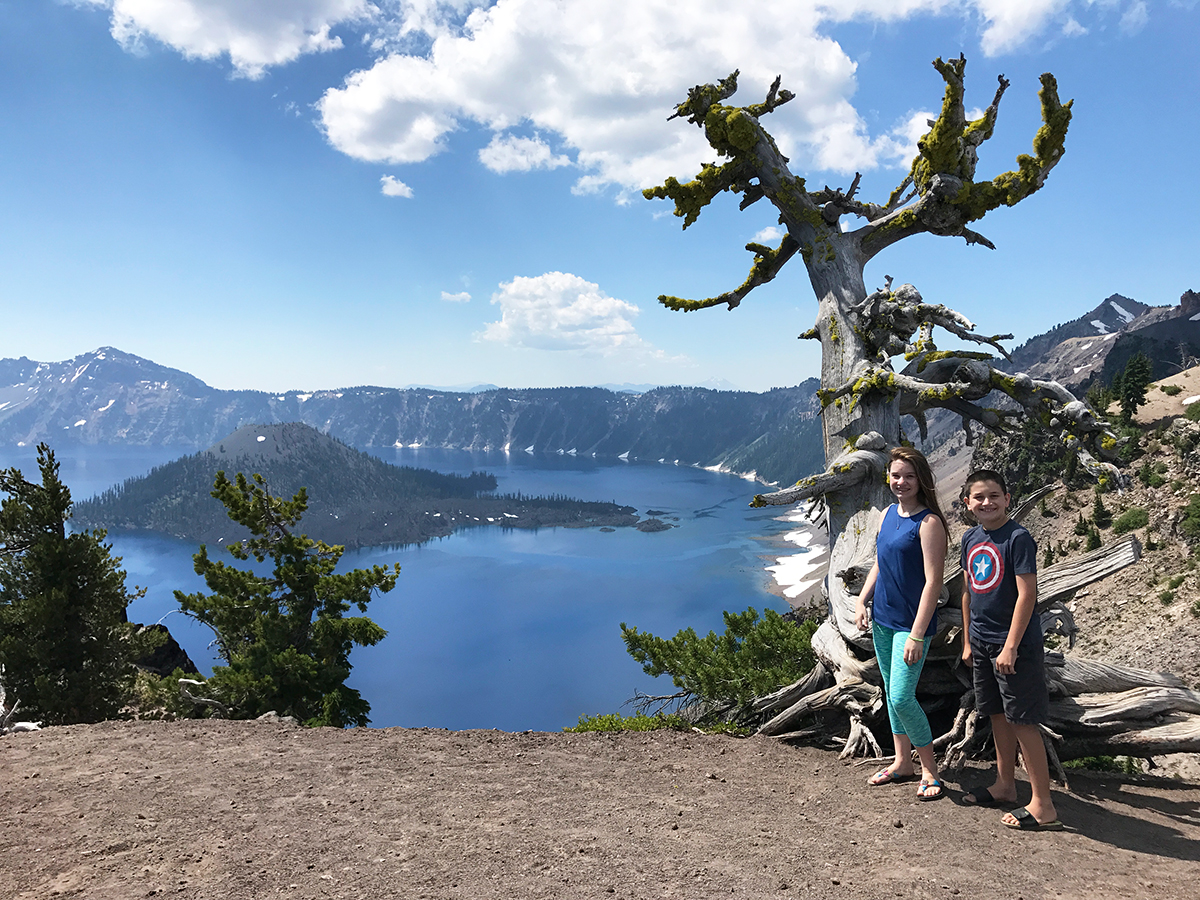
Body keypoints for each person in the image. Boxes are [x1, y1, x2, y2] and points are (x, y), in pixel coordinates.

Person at [959, 469, 1062, 831]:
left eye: (994, 496)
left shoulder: (1017, 538)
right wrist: (968, 640)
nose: (986, 503)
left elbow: (1027, 594)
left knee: (1022, 720)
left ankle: (1043, 805)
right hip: (983, 641)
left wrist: (1011, 646)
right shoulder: (971, 539)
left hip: (1012, 647)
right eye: (979, 497)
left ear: (1007, 498)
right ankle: (1005, 785)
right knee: (997, 714)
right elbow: (970, 590)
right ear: (967, 503)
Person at [854, 446, 949, 801]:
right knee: (892, 697)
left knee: (902, 696)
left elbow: (932, 582)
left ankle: (929, 770)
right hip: (882, 619)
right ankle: (901, 762)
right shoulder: (888, 515)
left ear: (921, 480)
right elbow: (880, 562)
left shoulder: (929, 523)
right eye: (896, 475)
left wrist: (917, 633)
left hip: (910, 626)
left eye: (909, 476)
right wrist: (864, 599)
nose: (901, 482)